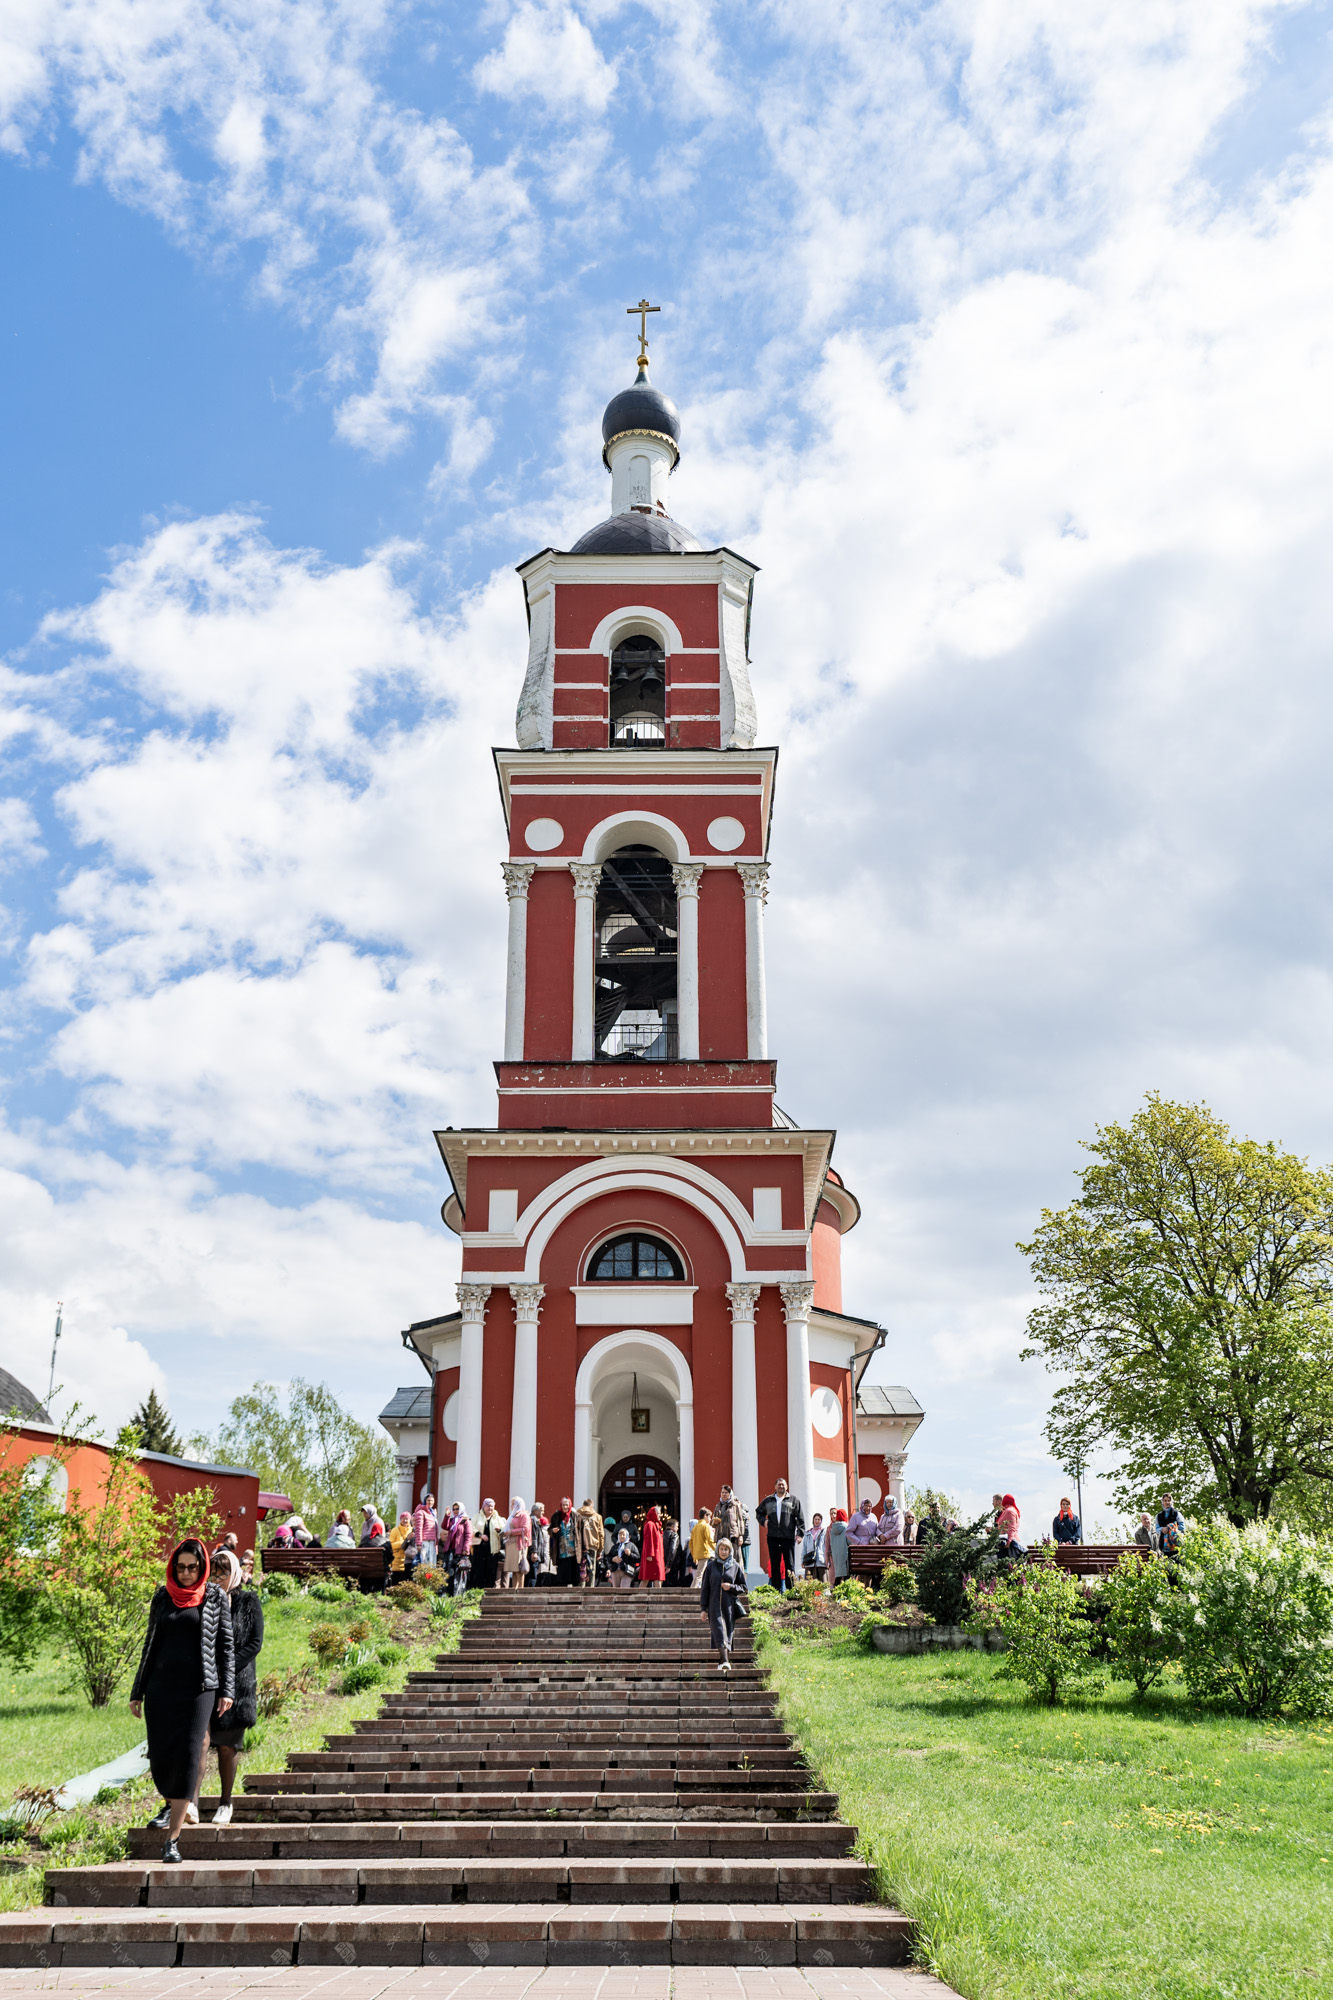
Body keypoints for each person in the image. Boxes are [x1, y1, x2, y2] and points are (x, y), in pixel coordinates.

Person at [129, 1540, 234, 1864]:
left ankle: (172, 1840)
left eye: (192, 1567)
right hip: (161, 1689)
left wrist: (227, 1690)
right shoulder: (162, 1596)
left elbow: (225, 1645)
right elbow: (150, 1644)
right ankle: (170, 1802)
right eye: (181, 1567)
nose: (186, 1573)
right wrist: (137, 1690)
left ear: (202, 1568)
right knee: (161, 1755)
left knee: (190, 1753)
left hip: (199, 1689)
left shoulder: (214, 1596)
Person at [197, 1548, 263, 1828]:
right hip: (206, 1683)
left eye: (223, 1573)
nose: (218, 1579)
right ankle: (191, 1803)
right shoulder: (204, 1601)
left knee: (227, 1746)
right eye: (214, 1574)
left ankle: (226, 1803)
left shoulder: (248, 1600)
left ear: (234, 1573)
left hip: (237, 1684)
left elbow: (255, 1642)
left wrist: (228, 1666)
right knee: (198, 1744)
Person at [699, 1536, 749, 1671]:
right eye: (721, 1549)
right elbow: (705, 1589)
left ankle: (722, 1662)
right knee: (719, 1630)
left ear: (730, 1551)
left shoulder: (735, 1566)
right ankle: (726, 1661)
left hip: (729, 1606)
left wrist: (730, 1587)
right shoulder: (711, 1566)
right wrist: (703, 1609)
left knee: (727, 1633)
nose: (723, 1552)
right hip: (714, 1606)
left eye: (726, 1549)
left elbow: (743, 1587)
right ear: (717, 1550)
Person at [756, 1480, 804, 1593]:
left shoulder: (794, 1500)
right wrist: (764, 1521)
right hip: (773, 1537)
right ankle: (776, 1591)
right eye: (779, 1484)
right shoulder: (768, 1500)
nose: (781, 1486)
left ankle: (791, 1590)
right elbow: (758, 1512)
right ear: (775, 1487)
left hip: (788, 1537)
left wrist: (800, 1534)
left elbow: (800, 1518)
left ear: (786, 1486)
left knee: (789, 1564)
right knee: (775, 1564)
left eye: (783, 1484)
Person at [471, 1500, 503, 1591]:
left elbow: (504, 1529)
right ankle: (478, 1591)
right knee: (479, 1570)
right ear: (483, 1507)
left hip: (493, 1549)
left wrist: (499, 1530)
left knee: (491, 1571)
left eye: (492, 1506)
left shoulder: (497, 1518)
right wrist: (480, 1535)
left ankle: (489, 1591)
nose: (490, 1508)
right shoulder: (477, 1517)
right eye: (488, 1506)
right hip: (479, 1548)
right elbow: (471, 1528)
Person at [502, 1497, 531, 1590]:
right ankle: (514, 1589)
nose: (511, 1506)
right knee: (514, 1569)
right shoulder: (513, 1515)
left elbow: (525, 1529)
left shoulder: (524, 1515)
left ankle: (521, 1590)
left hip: (519, 1544)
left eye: (513, 1504)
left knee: (519, 1569)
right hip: (511, 1544)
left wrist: (512, 1532)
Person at [445, 1503, 473, 1593]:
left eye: (457, 1509)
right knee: (450, 1572)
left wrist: (465, 1549)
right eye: (454, 1509)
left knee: (459, 1572)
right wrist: (447, 1516)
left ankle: (459, 1593)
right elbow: (445, 1526)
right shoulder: (452, 1520)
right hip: (451, 1550)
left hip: (460, 1551)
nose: (455, 1511)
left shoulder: (465, 1521)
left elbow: (468, 1535)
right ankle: (449, 1592)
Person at [576, 1501, 605, 1586]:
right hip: (593, 1545)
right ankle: (590, 1589)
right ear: (592, 1506)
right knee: (591, 1569)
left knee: (581, 1568)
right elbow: (601, 1534)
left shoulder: (577, 1514)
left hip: (580, 1545)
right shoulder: (597, 1517)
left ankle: (581, 1588)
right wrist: (600, 1550)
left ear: (583, 1505)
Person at [639, 1504, 666, 1588]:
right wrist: (649, 1554)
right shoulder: (650, 1524)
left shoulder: (656, 1525)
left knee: (657, 1576)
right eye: (658, 1513)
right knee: (647, 1577)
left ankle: (657, 1595)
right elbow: (648, 1540)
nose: (660, 1515)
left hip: (657, 1555)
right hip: (652, 1556)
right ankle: (639, 1594)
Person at [607, 1525, 639, 1590]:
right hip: (615, 1570)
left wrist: (630, 1554)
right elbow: (608, 1557)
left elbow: (638, 1557)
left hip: (626, 1571)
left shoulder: (631, 1545)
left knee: (624, 1589)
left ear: (627, 1536)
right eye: (620, 1534)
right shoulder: (615, 1546)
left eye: (623, 1535)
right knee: (616, 1590)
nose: (621, 1536)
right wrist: (613, 1559)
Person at [688, 1507, 716, 1584]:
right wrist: (716, 1549)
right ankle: (693, 1589)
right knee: (700, 1574)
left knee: (701, 1573)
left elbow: (691, 1543)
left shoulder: (695, 1527)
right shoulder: (705, 1526)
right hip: (704, 1553)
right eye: (709, 1517)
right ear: (705, 1516)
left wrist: (694, 1555)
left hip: (697, 1553)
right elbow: (710, 1540)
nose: (710, 1519)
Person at [413, 1494, 439, 1573]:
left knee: (431, 1565)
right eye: (428, 1500)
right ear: (425, 1501)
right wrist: (419, 1543)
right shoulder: (421, 1512)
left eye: (432, 1500)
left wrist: (436, 1544)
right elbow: (418, 1528)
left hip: (432, 1542)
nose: (430, 1502)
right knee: (424, 1563)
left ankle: (430, 1580)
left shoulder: (433, 1513)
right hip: (424, 1542)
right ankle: (423, 1579)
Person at [388, 1511, 417, 1579]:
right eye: (403, 1518)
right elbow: (390, 1545)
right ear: (400, 1519)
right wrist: (402, 1543)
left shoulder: (412, 1530)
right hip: (396, 1563)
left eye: (407, 1519)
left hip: (408, 1561)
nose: (405, 1520)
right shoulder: (395, 1530)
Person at [826, 1508, 851, 1582]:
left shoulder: (832, 1529)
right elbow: (849, 1542)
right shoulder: (846, 1527)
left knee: (838, 1576)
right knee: (846, 1576)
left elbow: (828, 1544)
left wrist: (827, 1558)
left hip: (835, 1556)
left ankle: (837, 1589)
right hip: (845, 1555)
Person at [529, 1502, 551, 1585]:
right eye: (542, 1510)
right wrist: (534, 1552)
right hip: (534, 1554)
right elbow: (534, 1537)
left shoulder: (535, 1520)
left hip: (535, 1553)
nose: (543, 1512)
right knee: (532, 1576)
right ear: (535, 1511)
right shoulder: (533, 1520)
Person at [800, 1513, 827, 1580]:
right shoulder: (808, 1533)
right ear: (813, 1520)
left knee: (822, 1582)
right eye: (815, 1519)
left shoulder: (824, 1532)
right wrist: (802, 1560)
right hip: (809, 1562)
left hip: (820, 1561)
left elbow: (827, 1546)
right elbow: (804, 1548)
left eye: (819, 1519)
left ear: (821, 1521)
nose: (817, 1521)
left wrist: (827, 1560)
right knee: (809, 1582)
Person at [662, 1514, 684, 1585]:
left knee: (664, 1584)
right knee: (672, 1585)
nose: (677, 1528)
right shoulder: (674, 1535)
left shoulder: (661, 1535)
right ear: (672, 1526)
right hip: (673, 1564)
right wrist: (669, 1565)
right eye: (677, 1526)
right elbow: (672, 1549)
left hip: (662, 1563)